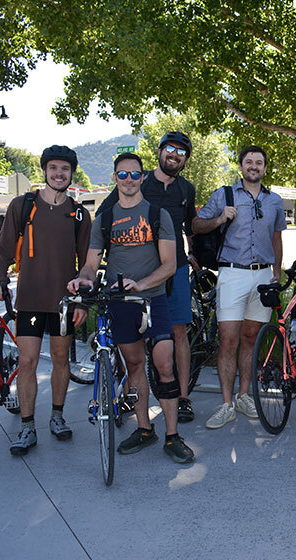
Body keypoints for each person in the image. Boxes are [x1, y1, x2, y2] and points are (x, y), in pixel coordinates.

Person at [68, 152, 194, 463]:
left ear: (142, 177)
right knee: (135, 366)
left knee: (165, 365)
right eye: (122, 175)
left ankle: (173, 435)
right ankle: (144, 428)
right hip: (119, 302)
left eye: (134, 175)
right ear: (114, 178)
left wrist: (141, 283)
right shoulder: (106, 218)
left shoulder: (157, 215)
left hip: (153, 300)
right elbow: (90, 264)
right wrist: (81, 280)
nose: (128, 180)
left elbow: (169, 265)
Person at [0, 145, 92, 456]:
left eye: (64, 169)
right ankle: (27, 425)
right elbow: (5, 249)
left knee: (61, 361)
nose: (58, 174)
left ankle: (57, 417)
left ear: (71, 173)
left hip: (64, 302)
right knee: (27, 361)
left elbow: (88, 262)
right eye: (53, 169)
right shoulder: (24, 206)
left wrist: (82, 302)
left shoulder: (78, 213)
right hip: (31, 299)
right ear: (45, 171)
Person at [96, 132, 199, 423]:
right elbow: (104, 218)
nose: (174, 154)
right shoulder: (138, 180)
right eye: (169, 148)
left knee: (178, 332)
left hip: (175, 268)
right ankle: (131, 394)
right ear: (159, 151)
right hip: (137, 274)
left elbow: (188, 224)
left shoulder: (186, 189)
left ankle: (182, 397)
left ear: (185, 159)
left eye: (181, 151)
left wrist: (191, 252)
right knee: (134, 338)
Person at [193, 145, 286, 429]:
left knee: (250, 340)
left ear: (265, 168)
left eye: (259, 162)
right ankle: (226, 404)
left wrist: (276, 273)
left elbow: (276, 238)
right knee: (228, 341)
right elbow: (196, 224)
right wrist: (220, 218)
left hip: (261, 277)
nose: (254, 166)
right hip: (231, 274)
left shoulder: (275, 200)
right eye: (249, 162)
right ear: (241, 166)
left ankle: (244, 395)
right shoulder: (225, 195)